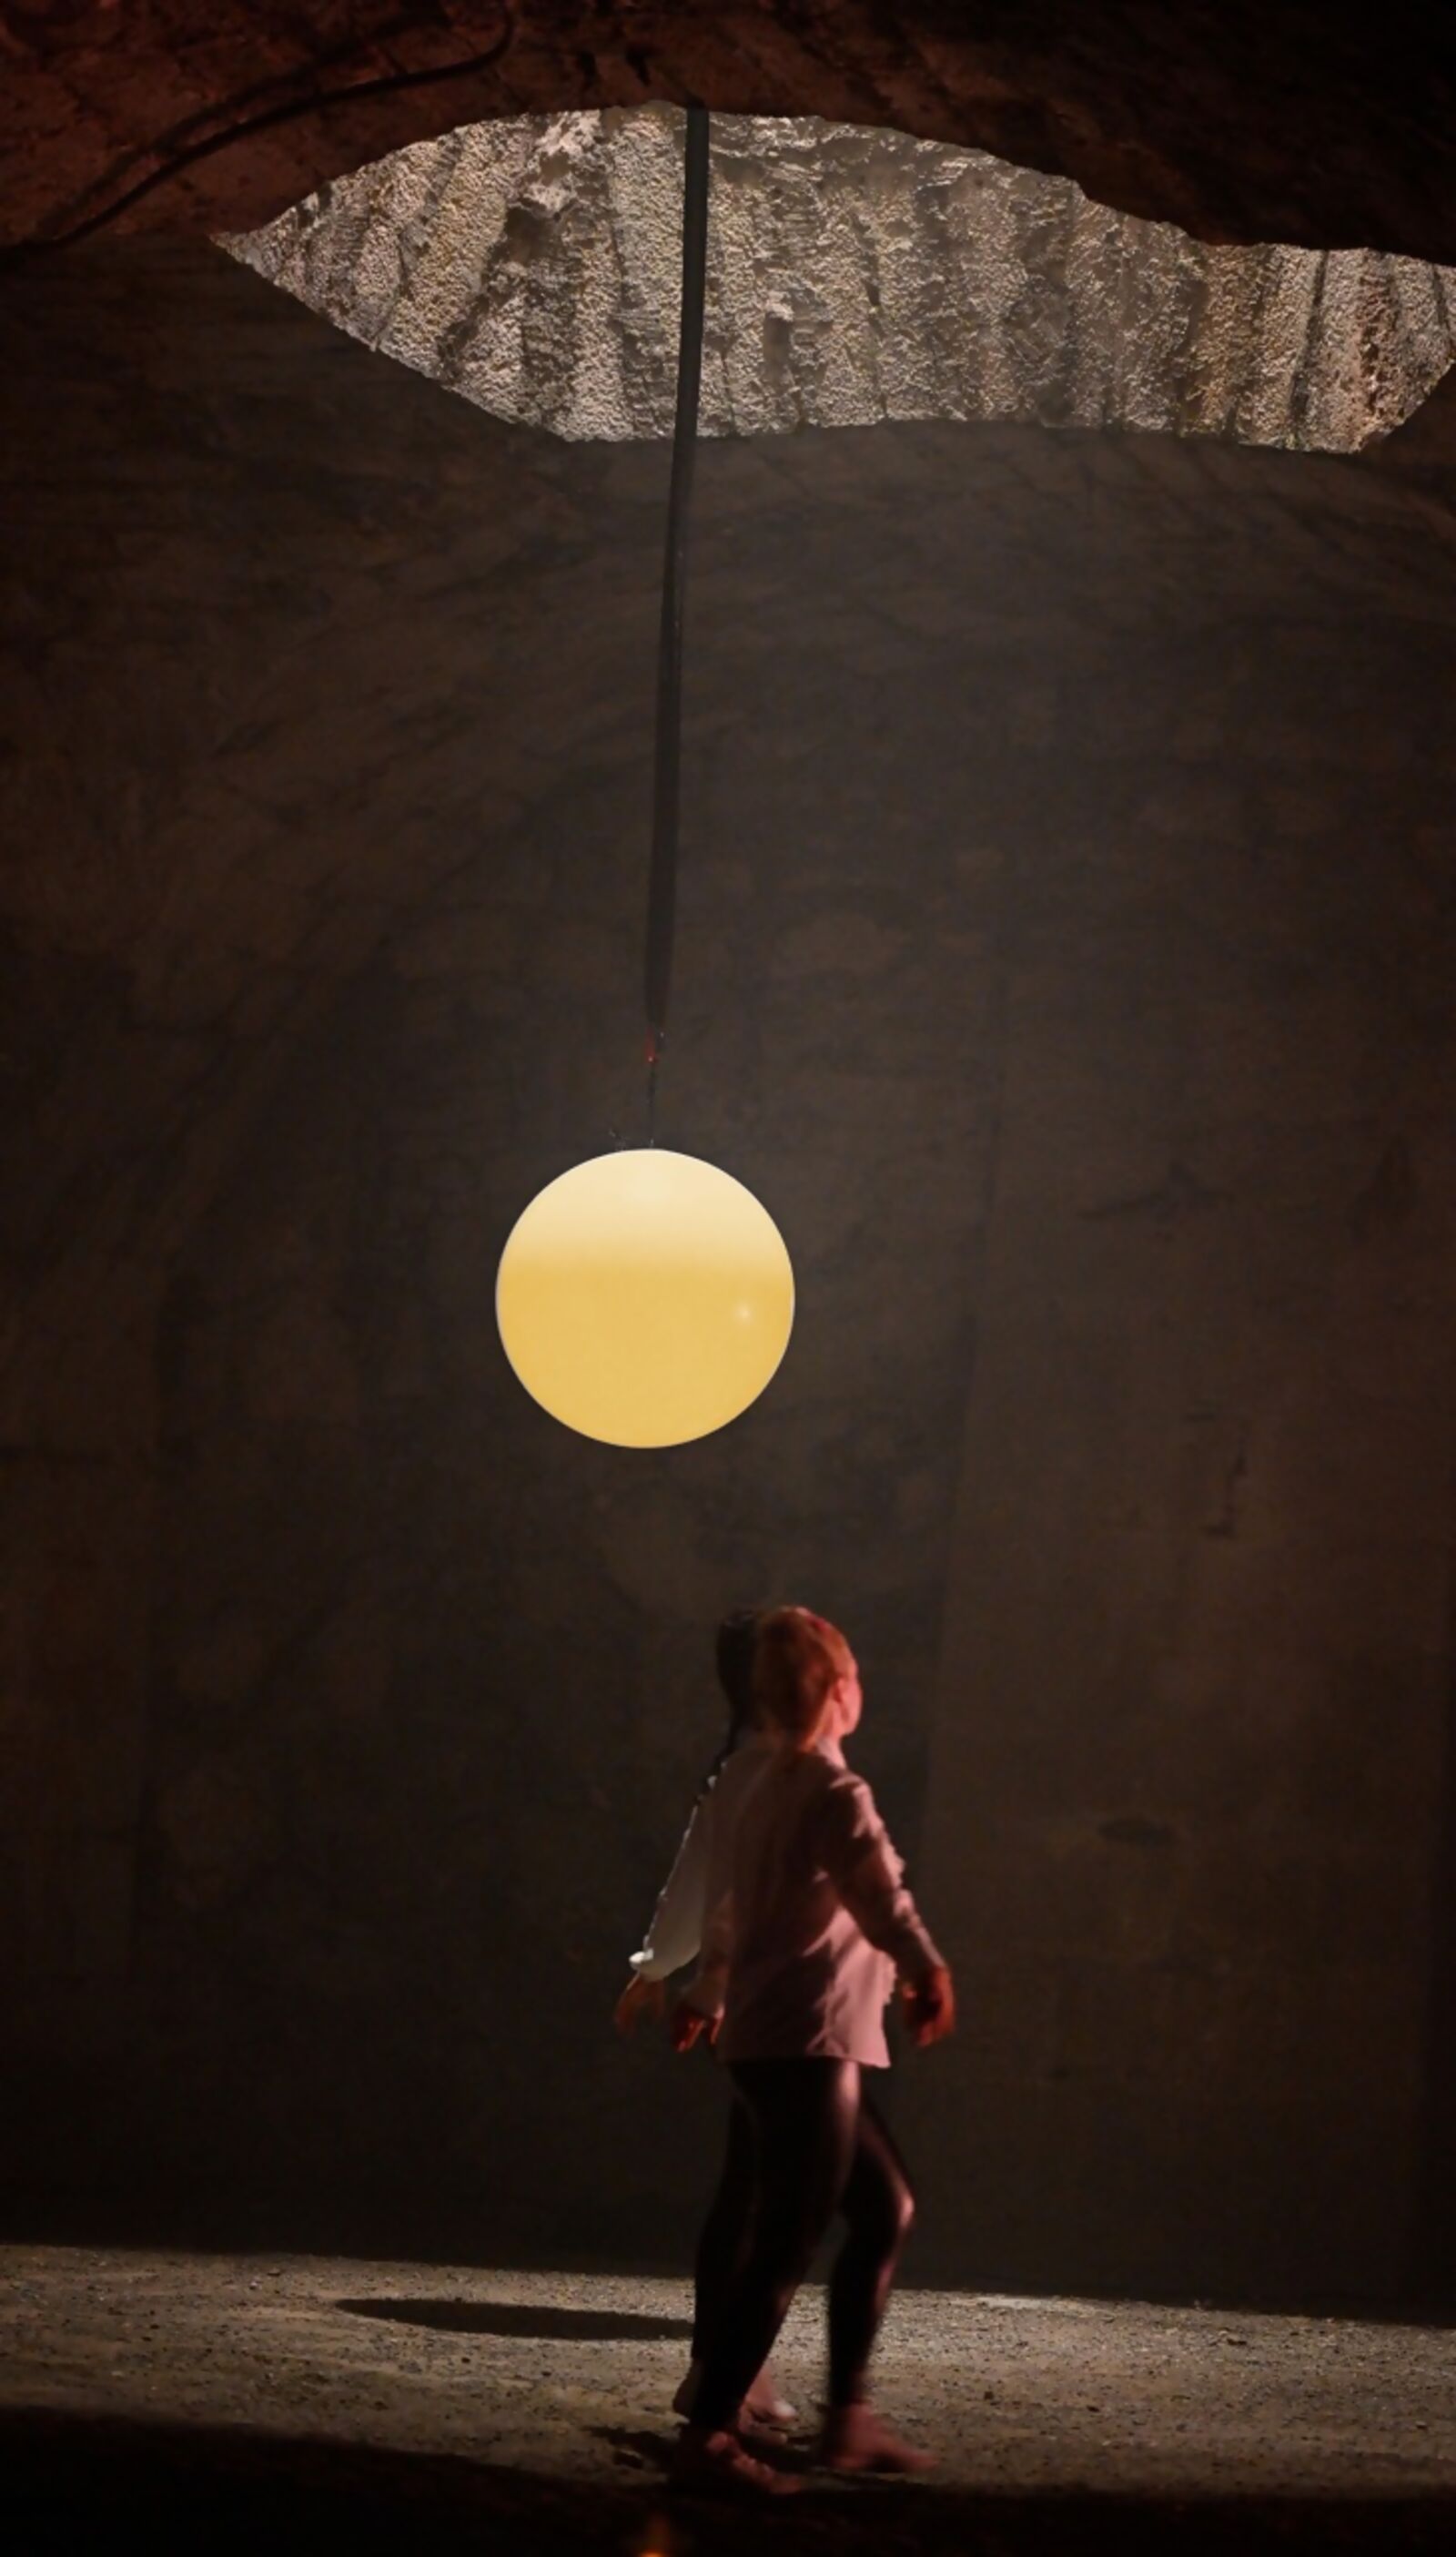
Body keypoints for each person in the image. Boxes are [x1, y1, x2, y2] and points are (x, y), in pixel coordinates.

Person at [671, 1606, 955, 2497]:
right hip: (811, 2037)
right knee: (790, 2235)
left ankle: (844, 2418)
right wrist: (926, 1966)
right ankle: (712, 2429)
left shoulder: (750, 1781)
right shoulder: (832, 1791)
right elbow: (878, 1894)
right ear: (837, 1689)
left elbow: (724, 1905)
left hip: (768, 2037)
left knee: (882, 2206)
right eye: (853, 1675)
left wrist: (708, 1991)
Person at [613, 1608, 795, 2430]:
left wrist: (662, 1966)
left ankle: (727, 2368)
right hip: (776, 2006)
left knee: (762, 2186)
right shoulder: (759, 1771)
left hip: (782, 2002)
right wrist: (668, 1969)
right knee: (770, 2191)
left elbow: (699, 1878)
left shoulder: (763, 1766)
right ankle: (721, 2372)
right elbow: (710, 1884)